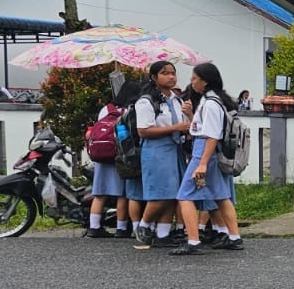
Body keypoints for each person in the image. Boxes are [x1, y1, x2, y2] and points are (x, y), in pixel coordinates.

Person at [171, 62, 244, 256]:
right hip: (209, 150)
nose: (192, 82)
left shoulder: (210, 103)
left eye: (194, 78)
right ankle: (234, 237)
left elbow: (211, 135)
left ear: (204, 81)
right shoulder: (214, 101)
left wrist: (202, 162)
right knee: (221, 196)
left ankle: (193, 241)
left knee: (184, 196)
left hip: (204, 151)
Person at [132, 60, 190, 251]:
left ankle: (163, 233)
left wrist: (189, 118)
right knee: (159, 192)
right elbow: (143, 130)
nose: (171, 77)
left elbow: (185, 125)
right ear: (154, 77)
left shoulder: (177, 99)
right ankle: (144, 226)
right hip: (156, 149)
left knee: (173, 193)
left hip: (175, 148)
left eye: (173, 73)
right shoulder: (147, 101)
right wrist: (175, 128)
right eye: (165, 73)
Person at [85, 81, 141, 239]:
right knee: (122, 194)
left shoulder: (106, 109)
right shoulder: (130, 110)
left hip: (101, 155)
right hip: (119, 155)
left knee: (99, 192)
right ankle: (121, 228)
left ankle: (94, 227)